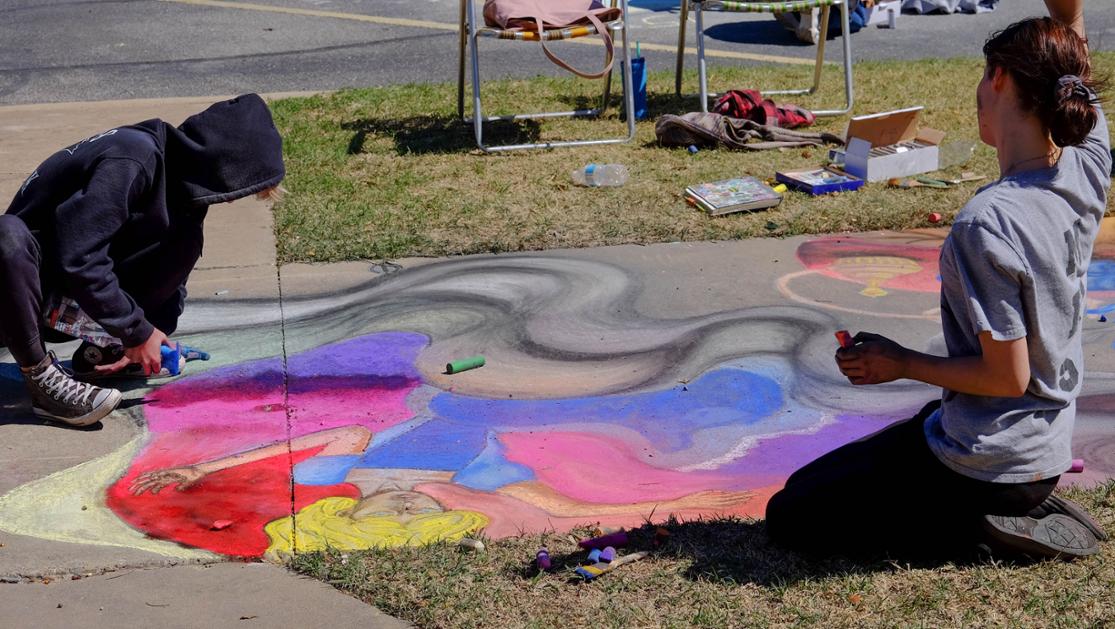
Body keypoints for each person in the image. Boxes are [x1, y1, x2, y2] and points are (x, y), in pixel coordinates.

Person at [765, 0, 1109, 560]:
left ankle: (978, 527)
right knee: (824, 476)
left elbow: (1006, 376)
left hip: (989, 462)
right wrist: (1068, 15)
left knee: (792, 515)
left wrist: (898, 363)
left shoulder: (988, 222)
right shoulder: (1085, 166)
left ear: (998, 78)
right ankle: (1016, 503)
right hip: (1039, 450)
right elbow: (1074, 65)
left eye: (982, 75)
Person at [0, 94, 285, 427]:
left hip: (52, 297)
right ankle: (42, 379)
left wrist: (152, 334)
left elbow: (172, 275)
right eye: (240, 189)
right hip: (11, 298)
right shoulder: (132, 158)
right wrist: (134, 331)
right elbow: (78, 257)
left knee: (185, 238)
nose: (234, 200)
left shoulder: (177, 188)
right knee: (7, 235)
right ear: (222, 165)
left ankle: (105, 353)